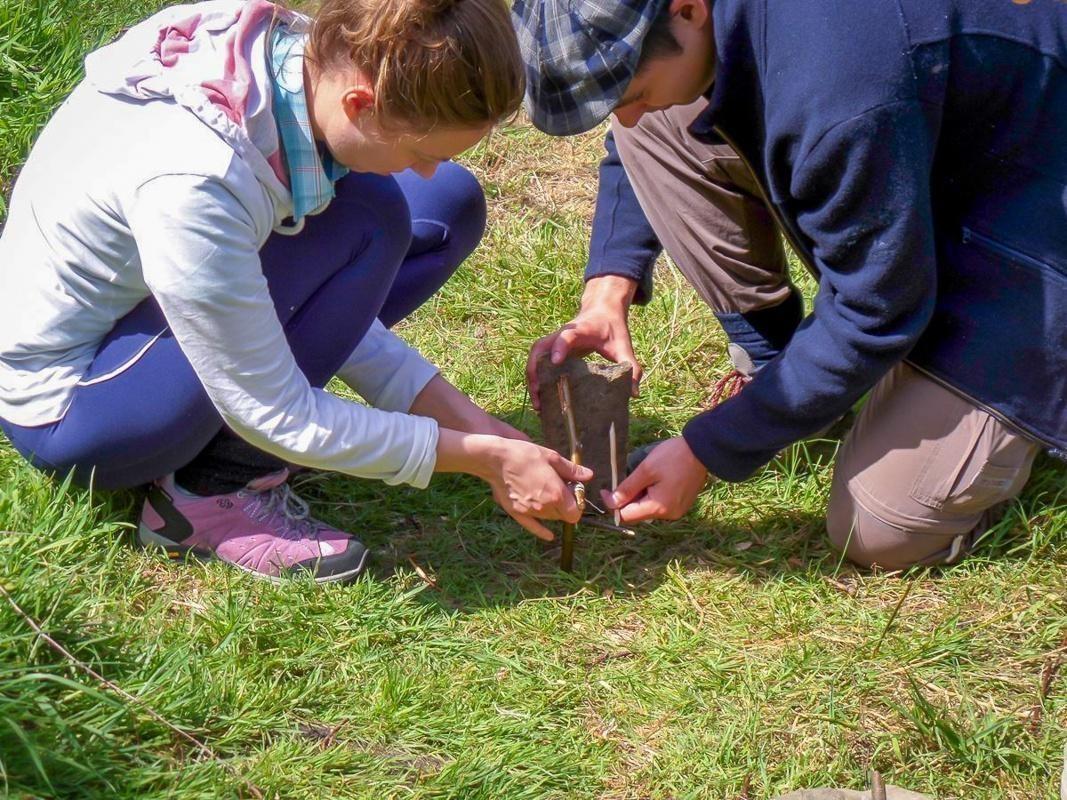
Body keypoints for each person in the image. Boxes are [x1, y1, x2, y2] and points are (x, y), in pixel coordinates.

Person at [0, 0, 592, 584]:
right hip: (80, 408)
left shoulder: (307, 61)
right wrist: (478, 458)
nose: (424, 169)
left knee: (441, 205)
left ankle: (210, 450)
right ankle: (208, 495)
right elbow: (275, 411)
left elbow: (313, 301)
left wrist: (469, 422)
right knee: (374, 215)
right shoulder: (197, 179)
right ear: (361, 105)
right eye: (420, 153)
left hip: (156, 300)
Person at [513, 0, 1067, 569]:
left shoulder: (841, 88)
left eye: (631, 93)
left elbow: (879, 312)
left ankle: (990, 419)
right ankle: (783, 370)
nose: (625, 118)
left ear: (687, 10)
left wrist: (708, 449)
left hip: (1028, 251)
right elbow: (642, 137)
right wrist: (607, 292)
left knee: (877, 529)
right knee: (662, 121)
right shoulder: (720, 31)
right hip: (932, 177)